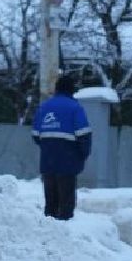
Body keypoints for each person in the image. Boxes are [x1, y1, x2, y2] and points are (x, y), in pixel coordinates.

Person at [31, 73, 93, 221]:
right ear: (72, 90)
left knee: (50, 204)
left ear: (57, 89)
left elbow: (35, 134)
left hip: (48, 163)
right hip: (68, 163)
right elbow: (84, 135)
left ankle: (48, 234)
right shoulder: (75, 108)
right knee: (66, 204)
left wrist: (49, 148)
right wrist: (82, 155)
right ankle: (65, 233)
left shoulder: (44, 107)